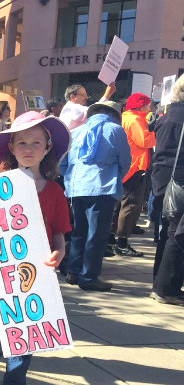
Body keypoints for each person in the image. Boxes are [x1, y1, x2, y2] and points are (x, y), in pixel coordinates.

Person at [0, 111, 71, 384]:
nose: (29, 149)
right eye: (22, 143)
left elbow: (59, 233)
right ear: (12, 148)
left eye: (36, 142)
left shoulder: (54, 192)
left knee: (25, 344)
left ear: (48, 147)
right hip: (0, 279)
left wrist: (59, 253)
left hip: (36, 280)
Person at [60, 101, 131, 291]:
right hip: (102, 187)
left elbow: (63, 163)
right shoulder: (115, 130)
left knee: (79, 231)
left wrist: (70, 181)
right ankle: (89, 277)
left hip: (77, 187)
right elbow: (125, 161)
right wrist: (115, 178)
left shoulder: (76, 132)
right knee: (97, 235)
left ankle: (73, 272)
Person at [108, 93, 156, 258]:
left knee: (119, 205)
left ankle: (111, 239)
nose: (150, 108)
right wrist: (155, 132)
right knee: (130, 205)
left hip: (126, 167)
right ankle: (122, 243)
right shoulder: (135, 120)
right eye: (148, 104)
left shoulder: (125, 118)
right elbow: (145, 142)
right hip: (135, 167)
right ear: (141, 105)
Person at [151, 74, 184, 305]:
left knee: (168, 233)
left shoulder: (167, 115)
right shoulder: (179, 116)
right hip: (179, 179)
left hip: (165, 179)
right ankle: (166, 288)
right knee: (176, 234)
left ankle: (160, 284)